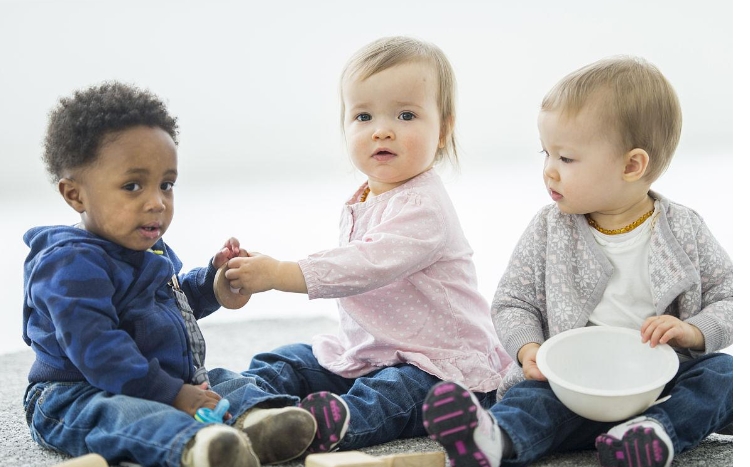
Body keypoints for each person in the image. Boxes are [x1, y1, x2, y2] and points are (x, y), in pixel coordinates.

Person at [422, 56, 733, 467]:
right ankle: (491, 440)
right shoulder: (549, 229)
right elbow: (513, 301)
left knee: (722, 376)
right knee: (533, 402)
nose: (549, 171)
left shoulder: (685, 229)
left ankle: (652, 433)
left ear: (631, 165)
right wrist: (528, 349)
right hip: (572, 387)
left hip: (659, 384)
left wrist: (692, 331)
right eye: (546, 153)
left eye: (566, 159)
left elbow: (730, 297)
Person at [22, 82, 341, 467]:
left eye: (166, 185)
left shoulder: (147, 247)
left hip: (157, 380)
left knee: (225, 381)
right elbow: (98, 350)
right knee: (125, 417)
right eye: (132, 186)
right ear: (76, 195)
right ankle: (197, 447)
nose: (156, 202)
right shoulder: (69, 266)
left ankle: (260, 422)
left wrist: (213, 285)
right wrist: (171, 394)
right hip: (78, 392)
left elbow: (168, 301)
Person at [222, 36, 512, 455]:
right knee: (285, 361)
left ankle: (316, 426)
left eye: (406, 114)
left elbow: (364, 264)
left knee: (391, 396)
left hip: (437, 363)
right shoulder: (365, 196)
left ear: (444, 130)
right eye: (363, 116)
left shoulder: (425, 206)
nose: (381, 129)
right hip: (368, 351)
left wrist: (280, 273)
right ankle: (255, 409)